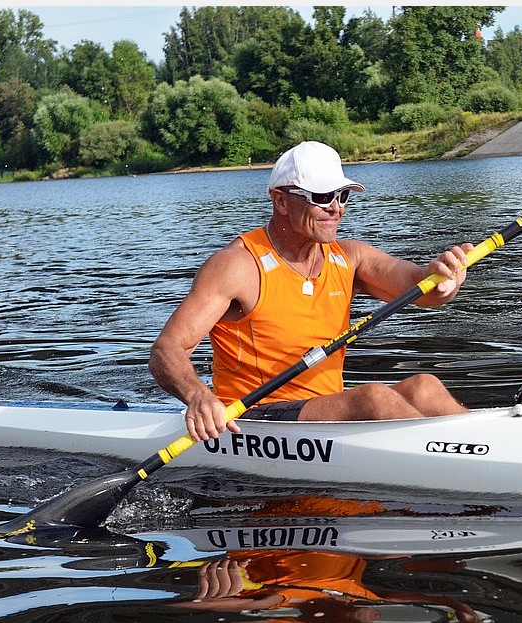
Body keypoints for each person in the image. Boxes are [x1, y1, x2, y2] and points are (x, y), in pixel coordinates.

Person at [150, 140, 471, 442]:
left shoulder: (349, 258)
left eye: (342, 196)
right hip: (252, 419)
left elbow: (421, 287)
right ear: (280, 200)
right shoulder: (237, 267)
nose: (336, 208)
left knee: (425, 388)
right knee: (374, 398)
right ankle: (452, 462)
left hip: (325, 412)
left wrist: (441, 278)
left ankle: (479, 449)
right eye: (321, 197)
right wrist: (199, 397)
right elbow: (168, 349)